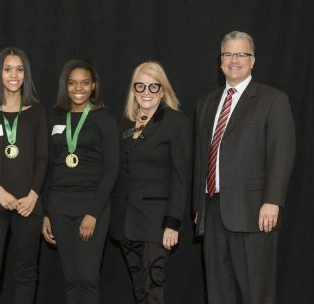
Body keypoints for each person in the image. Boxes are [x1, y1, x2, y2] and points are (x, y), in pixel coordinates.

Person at [193, 31, 295, 304]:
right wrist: (198, 206)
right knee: (218, 292)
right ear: (220, 60)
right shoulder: (205, 104)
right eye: (228, 54)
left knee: (257, 293)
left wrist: (272, 201)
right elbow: (201, 158)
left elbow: (281, 154)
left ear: (253, 61)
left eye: (241, 54)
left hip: (254, 212)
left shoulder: (273, 100)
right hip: (213, 211)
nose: (234, 60)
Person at [0, 47, 47, 303]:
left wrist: (33, 194)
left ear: (26, 74)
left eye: (20, 69)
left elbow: (42, 158)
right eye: (7, 69)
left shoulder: (37, 111)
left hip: (28, 204)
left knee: (26, 274)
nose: (13, 75)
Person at [110, 61, 191, 304]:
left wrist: (173, 224)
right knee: (139, 289)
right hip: (126, 221)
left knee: (153, 286)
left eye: (153, 87)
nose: (146, 92)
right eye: (140, 86)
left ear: (163, 90)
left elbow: (181, 176)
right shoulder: (124, 123)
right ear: (133, 90)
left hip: (157, 223)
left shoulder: (176, 123)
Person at [41, 60, 119, 304]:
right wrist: (46, 212)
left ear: (93, 86)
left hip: (91, 204)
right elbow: (50, 166)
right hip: (59, 206)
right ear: (66, 85)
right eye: (72, 83)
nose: (78, 88)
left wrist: (93, 212)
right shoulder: (55, 117)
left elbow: (112, 167)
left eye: (85, 83)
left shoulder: (104, 117)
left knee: (87, 277)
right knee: (71, 277)